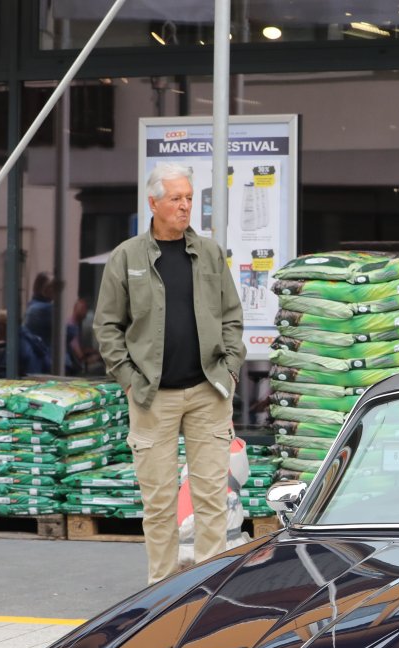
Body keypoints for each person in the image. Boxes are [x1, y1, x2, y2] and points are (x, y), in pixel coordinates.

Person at [95, 161, 244, 585]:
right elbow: (107, 327)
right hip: (151, 396)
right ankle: (160, 591)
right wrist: (128, 380)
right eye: (176, 198)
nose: (184, 206)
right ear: (153, 203)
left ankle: (208, 589)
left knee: (212, 499)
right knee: (159, 505)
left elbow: (232, 316)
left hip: (207, 391)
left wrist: (230, 370)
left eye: (189, 198)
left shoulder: (210, 253)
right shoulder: (127, 257)